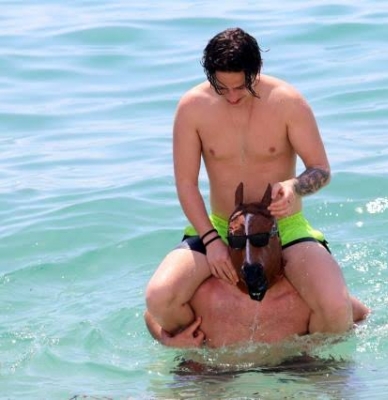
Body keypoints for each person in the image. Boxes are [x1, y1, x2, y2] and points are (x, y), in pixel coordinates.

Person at [145, 27, 354, 337]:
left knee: (335, 306)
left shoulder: (287, 101)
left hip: (284, 226)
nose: (232, 97)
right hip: (220, 226)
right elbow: (186, 184)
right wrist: (212, 241)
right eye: (222, 88)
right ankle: (198, 355)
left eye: (241, 87)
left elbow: (320, 170)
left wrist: (295, 187)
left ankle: (310, 362)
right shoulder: (192, 108)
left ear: (257, 70)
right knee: (159, 297)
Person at [145, 259, 370, 348]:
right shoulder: (207, 292)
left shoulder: (302, 296)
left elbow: (362, 315)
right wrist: (168, 341)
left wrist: (323, 343)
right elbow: (152, 314)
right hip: (212, 374)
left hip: (293, 369)